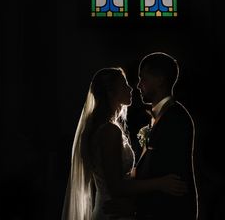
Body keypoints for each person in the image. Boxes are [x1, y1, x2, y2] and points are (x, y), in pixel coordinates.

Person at [61, 67, 187, 220]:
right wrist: (160, 183)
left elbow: (120, 174)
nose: (131, 88)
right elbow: (116, 187)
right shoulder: (109, 131)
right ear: (111, 93)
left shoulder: (105, 127)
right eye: (124, 84)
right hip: (113, 213)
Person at [133, 52, 198, 220]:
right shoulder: (161, 116)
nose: (139, 85)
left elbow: (172, 179)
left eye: (143, 78)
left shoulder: (175, 118)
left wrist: (135, 208)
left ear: (160, 79)